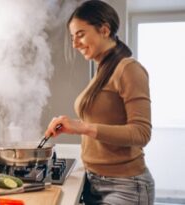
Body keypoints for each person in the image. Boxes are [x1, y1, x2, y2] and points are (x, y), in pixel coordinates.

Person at [45, 0, 155, 204]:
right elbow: (105, 118)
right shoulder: (102, 71)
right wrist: (71, 125)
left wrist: (82, 128)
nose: (75, 44)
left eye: (80, 34)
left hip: (126, 187)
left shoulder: (128, 69)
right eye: (72, 37)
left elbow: (142, 133)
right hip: (93, 181)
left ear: (104, 30)